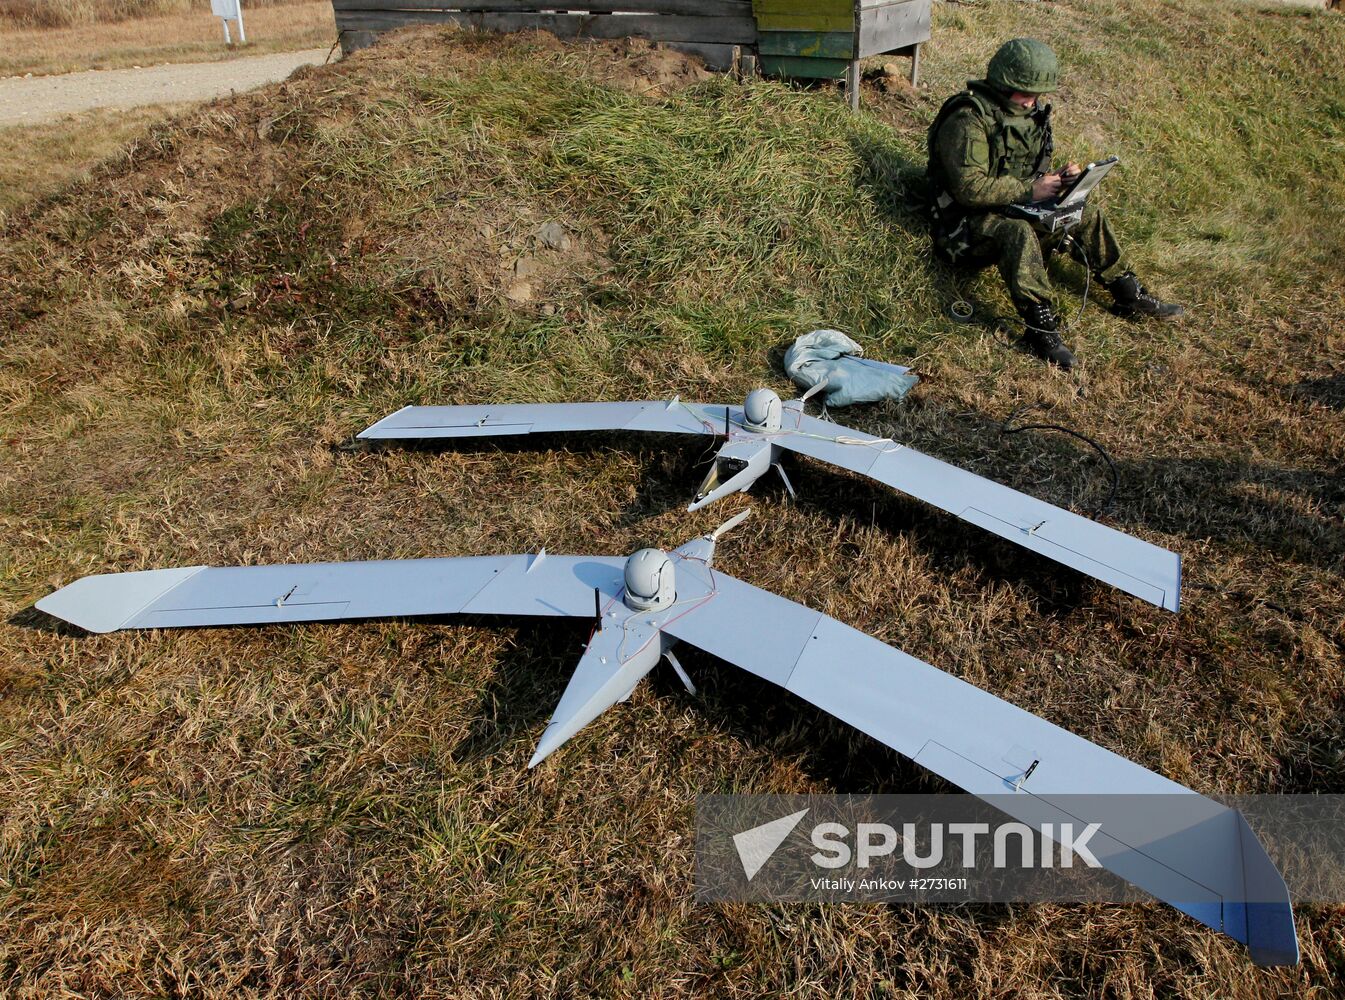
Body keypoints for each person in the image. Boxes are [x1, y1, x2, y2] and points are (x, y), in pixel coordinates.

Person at [925, 38, 1182, 370]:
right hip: (961, 227)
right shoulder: (968, 120)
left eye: (1036, 94)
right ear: (1003, 85)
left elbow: (1024, 171)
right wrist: (1030, 191)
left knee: (1084, 213)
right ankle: (1039, 327)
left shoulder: (1028, 115)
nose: (1032, 101)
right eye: (1025, 93)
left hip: (1012, 206)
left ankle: (1127, 291)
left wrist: (1057, 181)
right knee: (1017, 232)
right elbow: (969, 189)